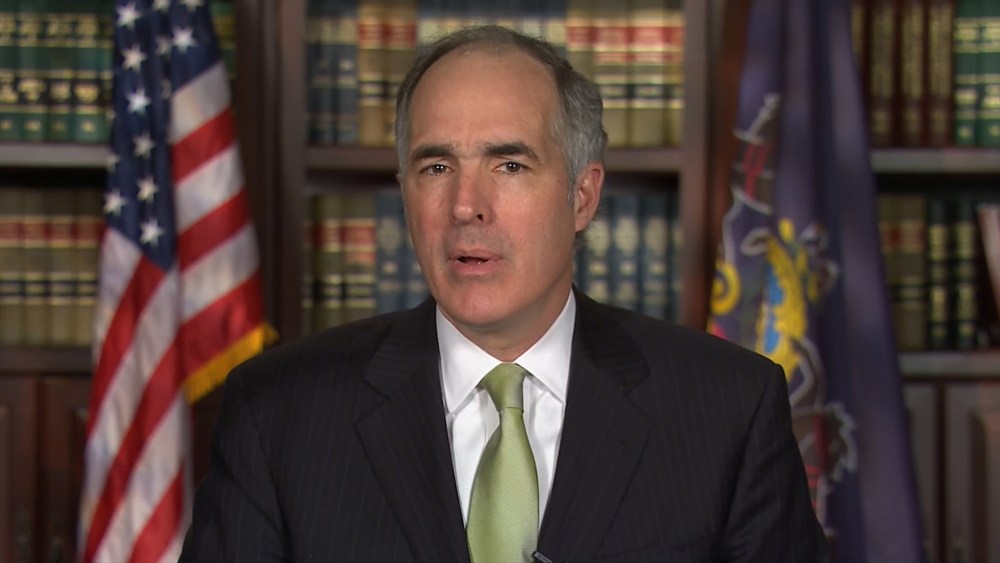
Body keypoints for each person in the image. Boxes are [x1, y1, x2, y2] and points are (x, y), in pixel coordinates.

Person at [180, 25, 828, 563]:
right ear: (405, 192)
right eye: (437, 166)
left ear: (583, 196)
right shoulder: (279, 414)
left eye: (509, 165)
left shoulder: (727, 409)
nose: (467, 205)